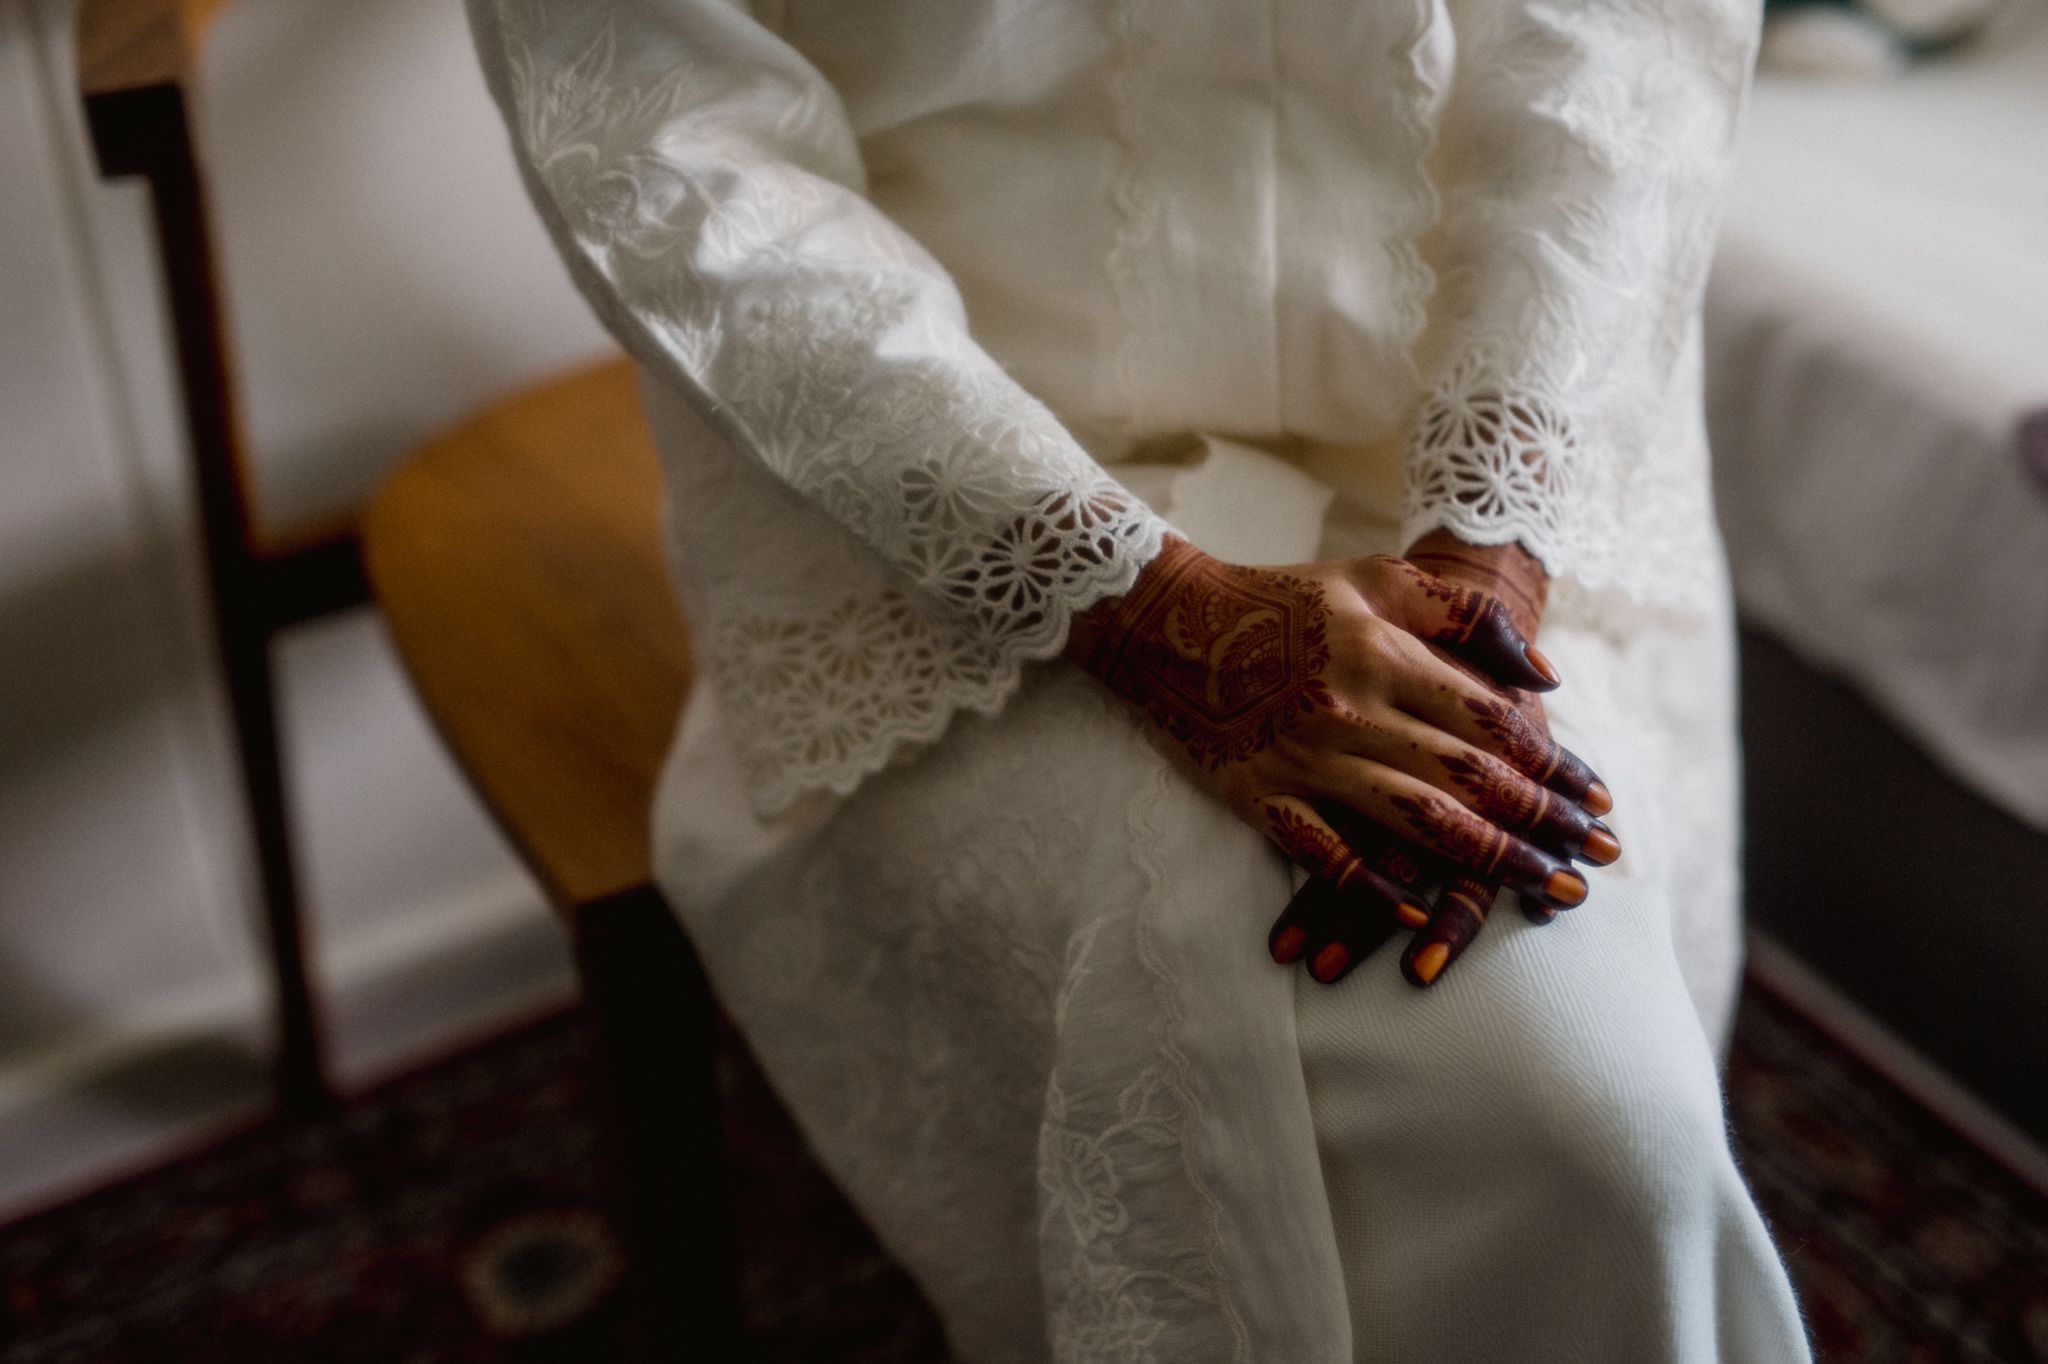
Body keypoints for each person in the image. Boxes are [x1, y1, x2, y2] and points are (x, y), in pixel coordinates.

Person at [466, 0, 1812, 1358]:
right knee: (1525, 1111)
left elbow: (1625, 46)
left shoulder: (1503, 500)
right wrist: (1128, 599)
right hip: (947, 508)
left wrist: (1491, 552)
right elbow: (675, 147)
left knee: (1611, 1130)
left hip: (1490, 437)